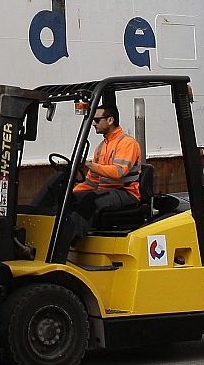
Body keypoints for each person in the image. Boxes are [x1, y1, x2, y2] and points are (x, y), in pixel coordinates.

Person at [33, 104, 143, 263]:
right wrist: (71, 193)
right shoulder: (102, 147)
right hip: (105, 192)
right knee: (66, 197)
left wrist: (91, 165)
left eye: (97, 120)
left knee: (89, 201)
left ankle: (66, 244)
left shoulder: (127, 143)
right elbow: (92, 182)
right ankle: (42, 237)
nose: (93, 123)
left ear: (110, 120)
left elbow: (119, 172)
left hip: (126, 193)